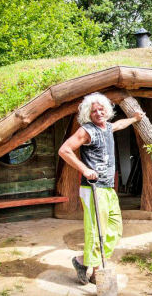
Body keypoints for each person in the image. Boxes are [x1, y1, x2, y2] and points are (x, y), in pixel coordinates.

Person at [58, 92, 144, 285]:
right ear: (89, 114)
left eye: (101, 108)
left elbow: (119, 125)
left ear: (107, 109)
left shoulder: (106, 127)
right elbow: (64, 150)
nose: (98, 112)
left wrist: (134, 119)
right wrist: (85, 169)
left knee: (114, 228)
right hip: (93, 189)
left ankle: (81, 261)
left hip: (108, 188)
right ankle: (96, 272)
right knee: (98, 231)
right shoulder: (87, 130)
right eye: (94, 110)